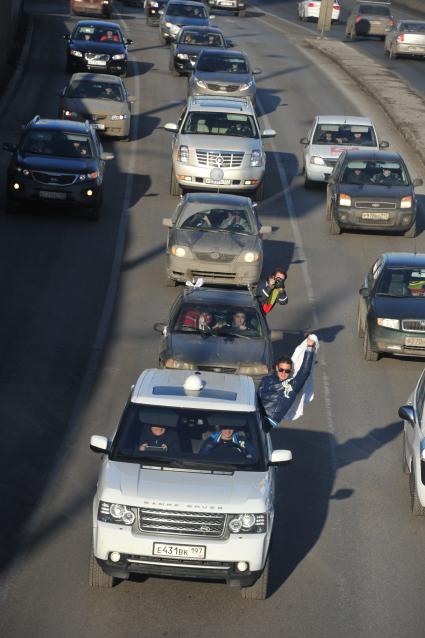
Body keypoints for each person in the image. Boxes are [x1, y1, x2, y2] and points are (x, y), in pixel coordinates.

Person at [258, 335, 317, 427]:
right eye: (281, 369)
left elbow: (304, 372)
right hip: (255, 416)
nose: (283, 373)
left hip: (269, 421)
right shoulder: (266, 379)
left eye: (287, 371)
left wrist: (309, 348)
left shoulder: (292, 385)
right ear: (277, 368)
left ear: (291, 371)